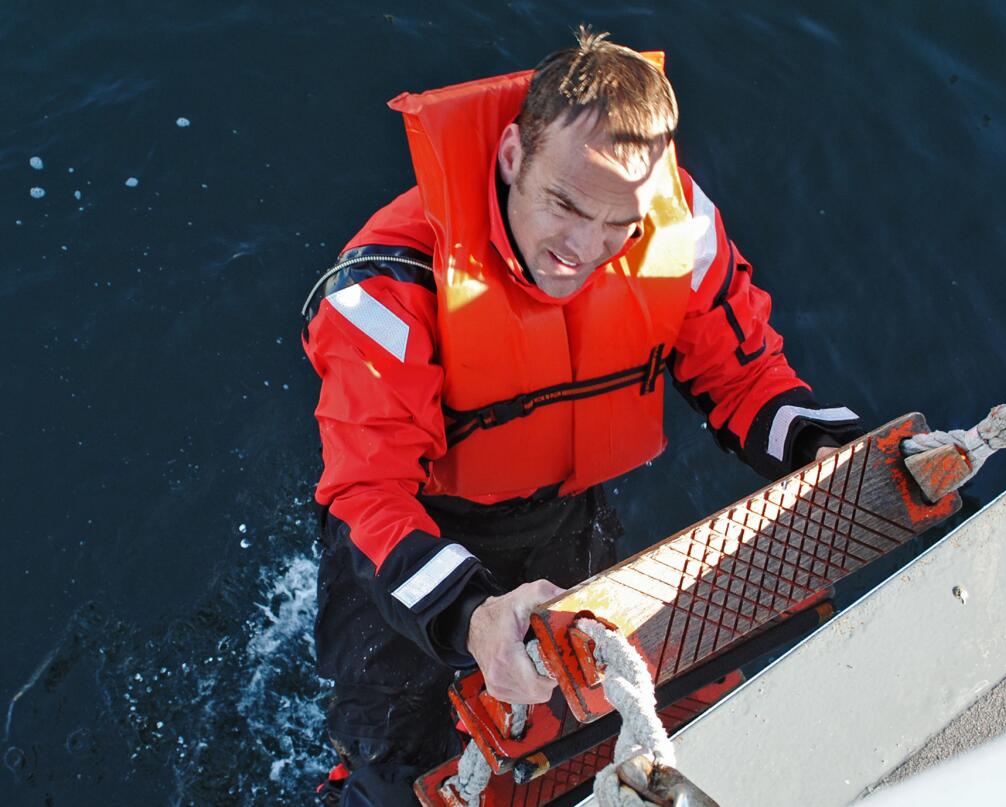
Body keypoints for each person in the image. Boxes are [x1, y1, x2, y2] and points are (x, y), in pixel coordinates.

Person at [301, 28, 863, 806]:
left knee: (590, 728)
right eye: (564, 203)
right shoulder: (389, 289)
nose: (585, 248)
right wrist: (473, 617)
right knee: (400, 772)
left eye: (617, 225)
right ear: (510, 158)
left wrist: (823, 442)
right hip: (411, 546)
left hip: (560, 518)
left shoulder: (678, 231)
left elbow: (745, 378)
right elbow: (367, 494)